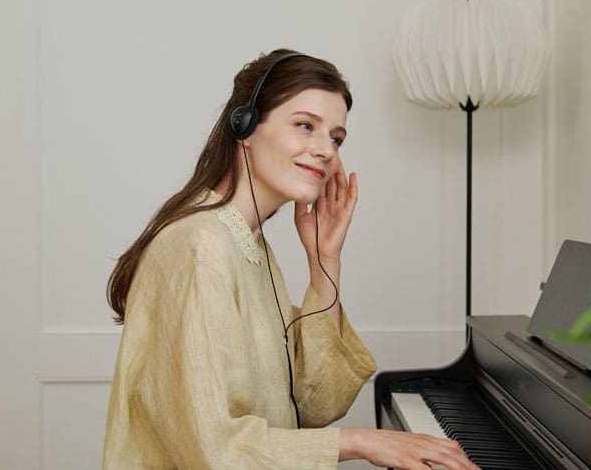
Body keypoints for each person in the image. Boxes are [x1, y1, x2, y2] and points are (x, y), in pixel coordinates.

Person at [102, 49, 478, 469]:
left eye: (335, 138)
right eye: (305, 126)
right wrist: (361, 442)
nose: (326, 150)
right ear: (244, 126)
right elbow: (211, 448)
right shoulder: (201, 246)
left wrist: (324, 261)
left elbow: (316, 402)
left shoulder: (250, 245)